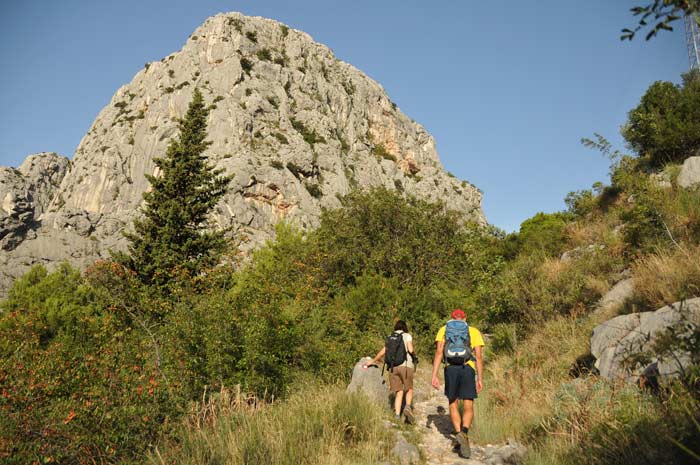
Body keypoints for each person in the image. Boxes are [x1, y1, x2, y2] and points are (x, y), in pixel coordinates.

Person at [431, 309, 484, 459]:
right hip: (467, 367)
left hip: (450, 369)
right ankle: (464, 432)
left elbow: (439, 352)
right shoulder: (473, 331)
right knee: (468, 403)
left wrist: (434, 375)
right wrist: (480, 378)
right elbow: (479, 357)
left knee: (453, 403)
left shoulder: (444, 330)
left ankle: (458, 434)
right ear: (465, 318)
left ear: (451, 319)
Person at [363, 320, 416, 423]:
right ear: (405, 327)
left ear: (396, 327)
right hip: (405, 366)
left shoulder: (390, 337)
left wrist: (372, 361)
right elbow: (410, 349)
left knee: (398, 392)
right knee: (409, 388)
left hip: (392, 367)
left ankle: (397, 416)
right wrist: (415, 356)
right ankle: (407, 407)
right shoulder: (407, 336)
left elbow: (383, 351)